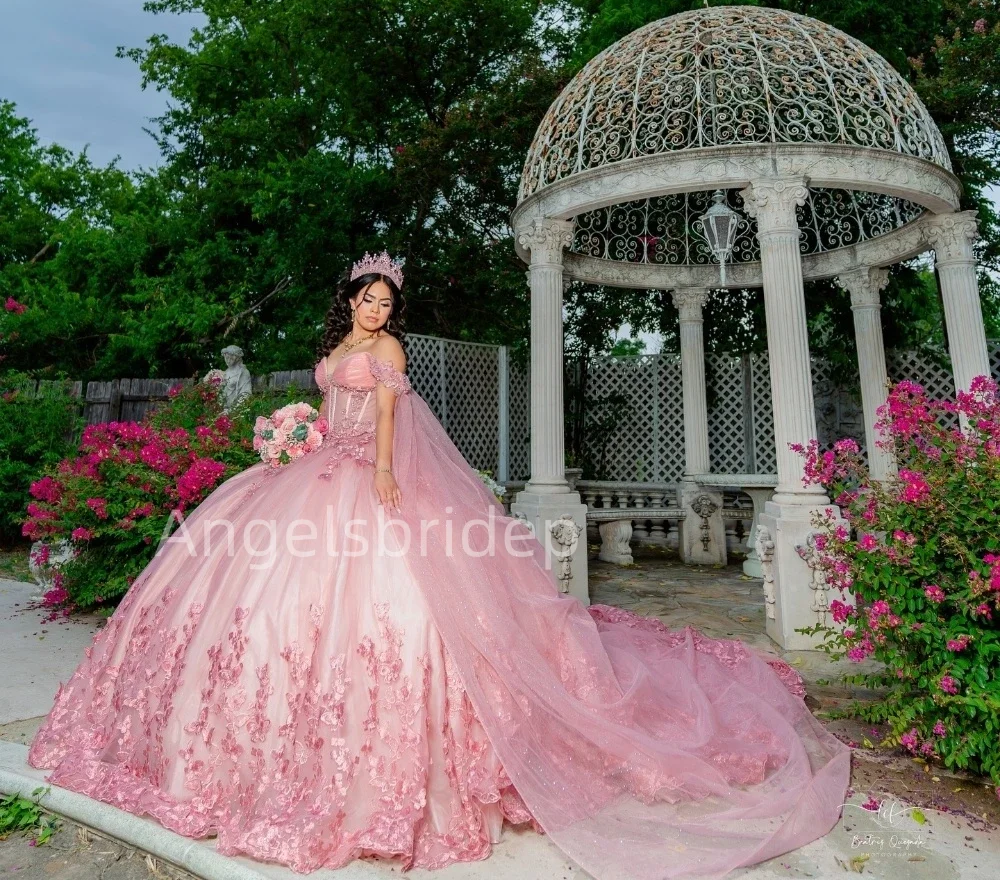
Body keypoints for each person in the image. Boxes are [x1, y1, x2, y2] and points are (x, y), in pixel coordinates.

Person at [27, 251, 851, 880]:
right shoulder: (341, 344)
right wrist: (297, 439)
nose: (376, 308)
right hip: (309, 472)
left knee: (390, 604)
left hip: (363, 478)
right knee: (247, 597)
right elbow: (332, 405)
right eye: (367, 297)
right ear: (349, 299)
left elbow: (385, 414)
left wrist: (382, 472)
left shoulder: (387, 353)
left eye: (387, 301)